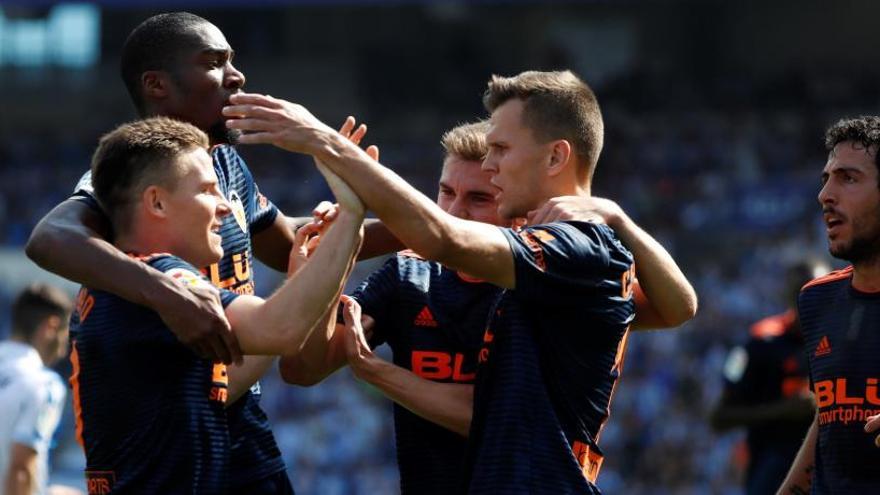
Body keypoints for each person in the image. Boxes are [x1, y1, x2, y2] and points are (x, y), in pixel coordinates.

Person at [225, 69, 697, 493]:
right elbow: (303, 368)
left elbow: (442, 237)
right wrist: (340, 234)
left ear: (555, 157)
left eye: (501, 154)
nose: (491, 168)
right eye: (445, 193)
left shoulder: (571, 255)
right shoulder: (417, 274)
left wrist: (330, 147)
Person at [24, 12, 388, 493]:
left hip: (229, 409)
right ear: (157, 85)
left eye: (233, 61)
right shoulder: (136, 174)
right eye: (214, 62)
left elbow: (288, 249)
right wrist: (167, 293)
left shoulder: (224, 164)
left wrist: (434, 229)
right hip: (166, 428)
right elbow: (51, 237)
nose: (236, 76)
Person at [69, 117, 362, 493]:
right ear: (156, 201)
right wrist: (351, 214)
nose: (225, 207)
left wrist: (303, 278)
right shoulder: (159, 278)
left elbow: (232, 376)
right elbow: (279, 330)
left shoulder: (123, 285)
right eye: (208, 190)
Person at [779, 116, 880, 494]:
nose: (825, 195)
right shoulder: (815, 300)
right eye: (826, 179)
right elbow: (828, 418)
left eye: (848, 178)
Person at [710, 261, 822, 495]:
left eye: (814, 290)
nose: (806, 301)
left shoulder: (844, 338)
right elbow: (719, 417)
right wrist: (782, 410)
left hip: (830, 468)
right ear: (787, 294)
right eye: (798, 292)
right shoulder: (760, 342)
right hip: (772, 469)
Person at [0, 285, 72, 495]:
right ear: (51, 326)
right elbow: (21, 469)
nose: (63, 349)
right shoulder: (43, 384)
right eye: (66, 333)